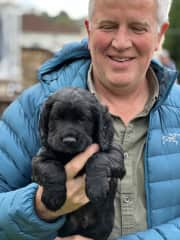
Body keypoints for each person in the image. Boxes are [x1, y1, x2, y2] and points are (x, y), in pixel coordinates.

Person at [0, 0, 180, 240]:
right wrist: (37, 208)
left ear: (160, 35)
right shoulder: (32, 108)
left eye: (138, 28)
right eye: (108, 26)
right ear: (89, 29)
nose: (121, 43)